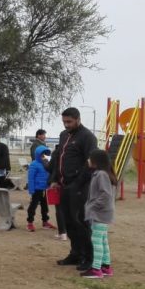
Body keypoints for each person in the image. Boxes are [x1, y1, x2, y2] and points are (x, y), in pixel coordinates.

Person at [49, 107, 98, 270]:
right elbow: (57, 158)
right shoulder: (64, 135)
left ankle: (88, 257)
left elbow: (91, 163)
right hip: (63, 185)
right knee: (68, 222)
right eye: (64, 122)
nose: (66, 125)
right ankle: (75, 254)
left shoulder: (88, 137)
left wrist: (78, 185)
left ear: (77, 119)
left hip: (80, 188)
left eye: (69, 122)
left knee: (81, 223)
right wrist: (55, 179)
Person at [81, 149, 117, 279]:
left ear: (96, 161)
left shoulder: (101, 174)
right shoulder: (103, 173)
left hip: (99, 213)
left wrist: (92, 206)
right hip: (103, 212)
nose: (88, 160)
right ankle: (106, 267)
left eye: (90, 158)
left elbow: (105, 195)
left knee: (96, 241)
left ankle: (96, 269)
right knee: (102, 240)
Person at [26, 145, 56, 232]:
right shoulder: (34, 164)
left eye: (46, 154)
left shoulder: (47, 163)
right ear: (38, 154)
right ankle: (30, 223)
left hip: (45, 189)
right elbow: (30, 178)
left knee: (44, 206)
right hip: (36, 189)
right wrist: (31, 189)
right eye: (42, 154)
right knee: (33, 206)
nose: (44, 156)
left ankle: (45, 222)